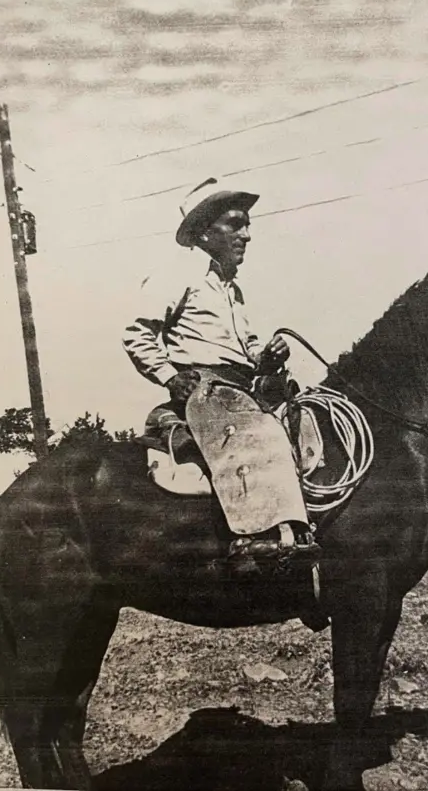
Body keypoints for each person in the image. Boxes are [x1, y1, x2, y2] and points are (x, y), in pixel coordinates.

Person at [122, 177, 320, 566]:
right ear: (204, 232)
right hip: (207, 387)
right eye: (235, 224)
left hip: (242, 385)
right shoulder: (177, 273)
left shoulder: (230, 288)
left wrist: (267, 357)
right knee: (260, 431)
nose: (246, 235)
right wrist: (168, 375)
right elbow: (137, 333)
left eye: (247, 225)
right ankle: (254, 539)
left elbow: (244, 349)